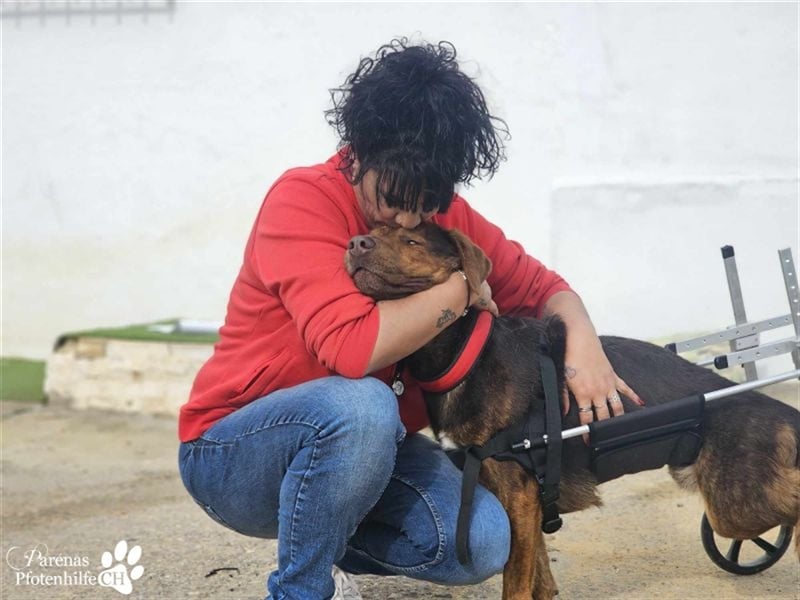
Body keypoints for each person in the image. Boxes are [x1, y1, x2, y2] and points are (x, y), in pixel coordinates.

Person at [178, 38, 643, 600]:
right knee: (363, 404)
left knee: (482, 543)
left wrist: (584, 346)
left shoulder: (440, 215)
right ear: (361, 153)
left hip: (365, 452)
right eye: (392, 198)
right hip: (233, 454)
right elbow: (353, 352)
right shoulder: (302, 199)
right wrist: (462, 287)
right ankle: (302, 587)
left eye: (423, 204)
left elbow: (544, 288)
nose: (407, 216)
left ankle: (324, 538)